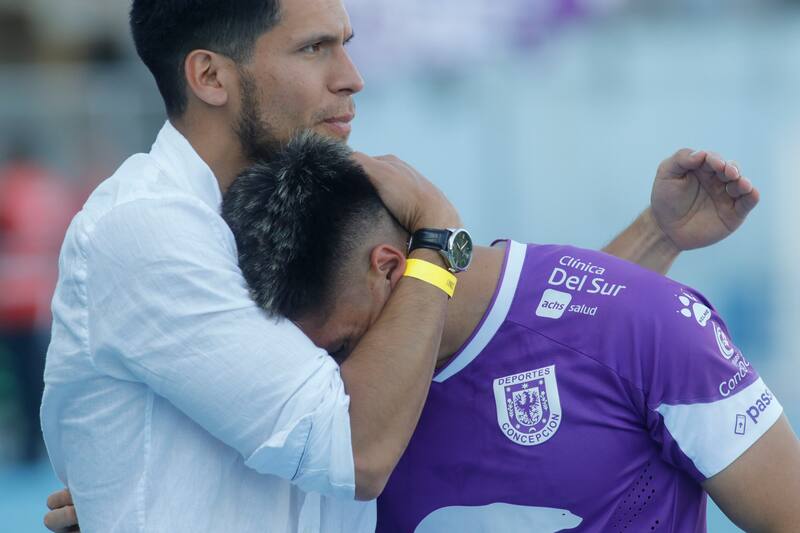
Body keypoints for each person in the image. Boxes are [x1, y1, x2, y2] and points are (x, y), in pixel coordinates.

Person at [41, 0, 762, 531]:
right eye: (315, 49)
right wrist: (440, 237)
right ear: (209, 76)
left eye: (347, 44)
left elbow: (495, 335)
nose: (352, 77)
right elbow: (355, 446)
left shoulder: (293, 205)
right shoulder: (146, 231)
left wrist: (651, 238)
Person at [218, 134, 797, 531]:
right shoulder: (345, 420)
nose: (340, 379)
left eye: (343, 347)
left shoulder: (658, 325)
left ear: (393, 269)